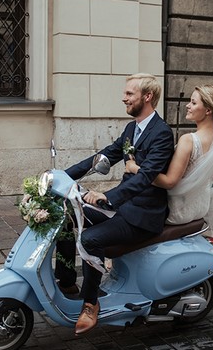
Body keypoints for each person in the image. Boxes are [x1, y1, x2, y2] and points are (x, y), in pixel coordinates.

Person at [55, 73, 174, 336]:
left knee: (90, 240)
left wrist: (109, 197)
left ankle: (90, 303)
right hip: (123, 206)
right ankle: (66, 282)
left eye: (129, 94)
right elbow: (105, 155)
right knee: (65, 216)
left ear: (147, 97)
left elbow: (146, 177)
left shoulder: (162, 133)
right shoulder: (132, 129)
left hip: (142, 214)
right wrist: (61, 176)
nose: (124, 98)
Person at [125, 85, 213, 254]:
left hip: (177, 211)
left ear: (207, 110)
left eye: (193, 102)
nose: (188, 105)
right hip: (200, 209)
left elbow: (170, 182)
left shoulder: (189, 140)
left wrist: (134, 168)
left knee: (124, 213)